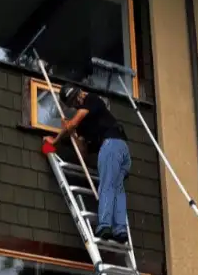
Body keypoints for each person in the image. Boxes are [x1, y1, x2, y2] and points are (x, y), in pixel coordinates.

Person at [42, 84, 132, 244]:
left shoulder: (92, 99)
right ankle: (120, 230)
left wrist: (55, 140)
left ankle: (105, 225)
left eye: (78, 97)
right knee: (117, 188)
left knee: (107, 185)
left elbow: (74, 121)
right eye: (74, 101)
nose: (79, 100)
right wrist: (72, 134)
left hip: (112, 145)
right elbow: (82, 152)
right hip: (121, 150)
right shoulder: (85, 125)